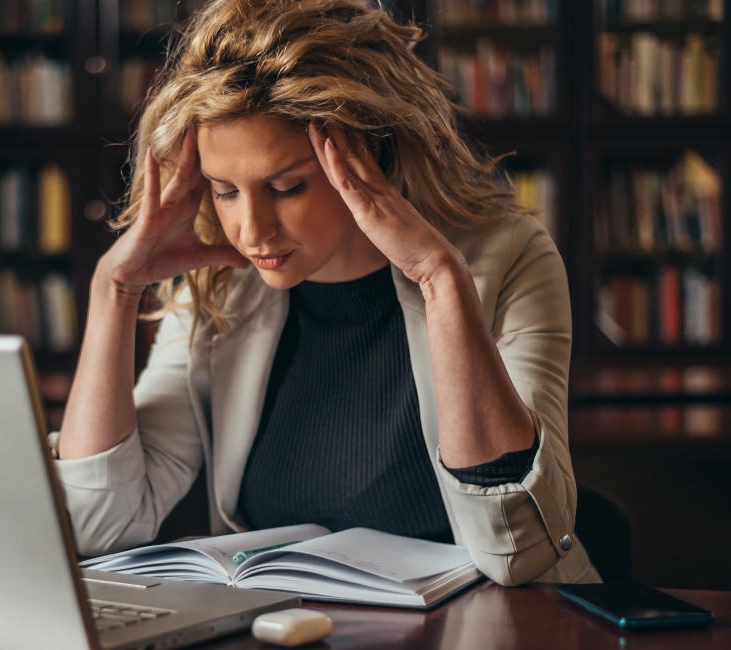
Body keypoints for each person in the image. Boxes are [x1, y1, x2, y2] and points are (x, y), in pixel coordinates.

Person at [49, 0, 599, 586]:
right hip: (286, 647)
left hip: (492, 643)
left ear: (372, 152)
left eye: (286, 187)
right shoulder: (225, 284)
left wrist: (441, 281)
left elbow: (515, 552)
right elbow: (98, 525)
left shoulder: (508, 256)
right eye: (225, 192)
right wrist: (115, 290)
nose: (253, 230)